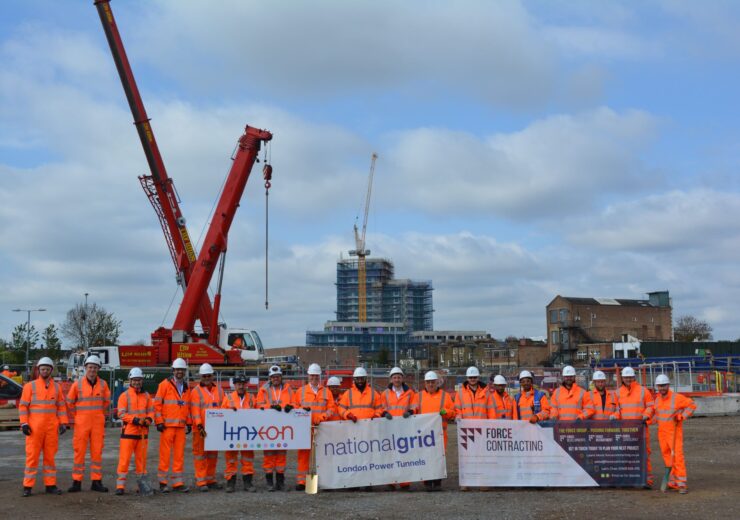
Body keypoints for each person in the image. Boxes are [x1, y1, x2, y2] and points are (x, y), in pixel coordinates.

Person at [19, 357, 68, 497]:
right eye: (42, 369)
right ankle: (27, 486)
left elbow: (61, 406)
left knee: (50, 458)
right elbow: (23, 406)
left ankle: (50, 485)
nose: (44, 371)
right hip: (34, 429)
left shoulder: (57, 387)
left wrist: (63, 422)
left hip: (51, 428)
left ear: (51, 370)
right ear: (38, 370)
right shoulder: (30, 386)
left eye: (47, 369)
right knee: (32, 457)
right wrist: (24, 423)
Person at [66, 355, 111, 493]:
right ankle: (77, 482)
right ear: (85, 368)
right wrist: (77, 417)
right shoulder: (77, 384)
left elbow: (106, 403)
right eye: (90, 367)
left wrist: (99, 416)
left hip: (97, 424)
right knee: (79, 452)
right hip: (82, 424)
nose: (92, 370)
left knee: (97, 453)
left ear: (98, 369)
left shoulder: (103, 385)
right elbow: (69, 402)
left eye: (95, 367)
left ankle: (96, 482)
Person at [337, 367, 384, 491]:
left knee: (368, 456)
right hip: (353, 430)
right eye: (357, 378)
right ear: (354, 379)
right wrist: (348, 415)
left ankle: (368, 482)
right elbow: (340, 408)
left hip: (369, 430)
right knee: (354, 456)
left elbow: (380, 408)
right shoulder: (348, 394)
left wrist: (376, 415)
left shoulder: (374, 393)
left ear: (365, 379)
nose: (359, 380)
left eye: (361, 378)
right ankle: (355, 482)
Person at [292, 363, 335, 491]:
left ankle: (324, 481)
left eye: (316, 376)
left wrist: (322, 417)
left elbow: (332, 408)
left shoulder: (327, 392)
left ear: (319, 376)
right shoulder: (301, 391)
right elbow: (294, 406)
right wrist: (302, 413)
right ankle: (302, 481)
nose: (314, 378)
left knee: (323, 455)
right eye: (312, 376)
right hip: (306, 428)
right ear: (308, 376)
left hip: (322, 428)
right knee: (304, 454)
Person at [411, 371, 455, 491]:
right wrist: (410, 412)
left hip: (440, 434)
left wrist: (446, 412)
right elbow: (414, 409)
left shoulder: (445, 396)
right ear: (424, 383)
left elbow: (453, 412)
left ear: (437, 382)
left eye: (432, 382)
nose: (430, 384)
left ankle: (437, 482)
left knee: (439, 457)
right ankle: (427, 482)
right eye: (428, 382)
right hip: (424, 435)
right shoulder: (418, 396)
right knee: (425, 457)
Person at [154, 357, 192, 493]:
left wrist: (189, 423)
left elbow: (187, 407)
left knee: (179, 456)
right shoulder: (164, 385)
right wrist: (159, 422)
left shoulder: (186, 388)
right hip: (167, 427)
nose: (179, 372)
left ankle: (178, 482)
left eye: (182, 370)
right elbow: (157, 404)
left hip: (180, 427)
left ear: (184, 371)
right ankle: (163, 483)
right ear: (173, 370)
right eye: (177, 370)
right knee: (165, 455)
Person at [654, 374, 696, 494]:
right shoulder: (657, 400)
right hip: (662, 434)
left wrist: (682, 416)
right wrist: (646, 421)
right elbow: (657, 417)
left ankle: (682, 484)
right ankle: (672, 482)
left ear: (668, 385)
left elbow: (692, 405)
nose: (662, 388)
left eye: (664, 385)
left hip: (674, 433)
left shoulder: (676, 398)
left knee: (677, 457)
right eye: (660, 386)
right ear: (657, 387)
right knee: (667, 457)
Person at [115, 367, 154, 495]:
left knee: (141, 461)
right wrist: (135, 420)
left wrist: (149, 419)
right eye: (134, 380)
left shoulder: (147, 396)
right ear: (130, 381)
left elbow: (151, 412)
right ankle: (120, 486)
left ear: (142, 380)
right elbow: (121, 414)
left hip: (143, 434)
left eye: (139, 380)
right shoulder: (124, 396)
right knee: (124, 460)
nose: (137, 382)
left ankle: (142, 486)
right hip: (128, 433)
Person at [255, 365, 294, 491]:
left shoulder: (288, 389)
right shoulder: (263, 390)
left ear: (281, 377)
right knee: (269, 454)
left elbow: (294, 402)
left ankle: (280, 481)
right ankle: (269, 481)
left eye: (277, 377)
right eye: (273, 377)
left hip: (283, 427)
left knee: (281, 454)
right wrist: (271, 407)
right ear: (270, 378)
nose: (275, 379)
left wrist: (290, 406)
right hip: (268, 427)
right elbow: (258, 405)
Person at [189, 363, 225, 492]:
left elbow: (224, 408)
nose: (207, 377)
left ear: (212, 376)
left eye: (209, 375)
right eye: (204, 376)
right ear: (201, 376)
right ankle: (201, 481)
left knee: (212, 455)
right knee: (200, 455)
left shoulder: (219, 390)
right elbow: (195, 411)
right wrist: (199, 426)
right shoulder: (196, 392)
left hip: (215, 430)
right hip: (200, 430)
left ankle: (210, 479)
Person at [618, 366, 655, 487]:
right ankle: (629, 479)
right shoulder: (618, 393)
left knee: (644, 454)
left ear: (634, 377)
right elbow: (617, 410)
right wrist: (614, 416)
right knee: (627, 455)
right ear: (622, 378)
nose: (628, 379)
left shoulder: (643, 391)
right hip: (625, 431)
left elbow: (651, 406)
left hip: (641, 430)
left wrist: (646, 415)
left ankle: (647, 480)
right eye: (626, 377)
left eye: (630, 377)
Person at [381, 367, 416, 491]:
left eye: (399, 377)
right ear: (391, 379)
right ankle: (391, 481)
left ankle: (404, 482)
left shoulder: (410, 393)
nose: (397, 379)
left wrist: (411, 412)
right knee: (390, 455)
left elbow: (414, 406)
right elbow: (382, 407)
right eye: (394, 377)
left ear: (402, 378)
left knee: (405, 454)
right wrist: (385, 414)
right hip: (390, 428)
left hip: (405, 428)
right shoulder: (385, 393)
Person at [222, 374, 256, 493]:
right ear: (235, 385)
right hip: (232, 434)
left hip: (248, 434)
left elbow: (258, 415)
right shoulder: (228, 398)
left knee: (248, 458)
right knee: (231, 458)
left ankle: (248, 482)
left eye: (243, 384)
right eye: (239, 384)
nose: (241, 386)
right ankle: (230, 483)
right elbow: (222, 415)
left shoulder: (252, 398)